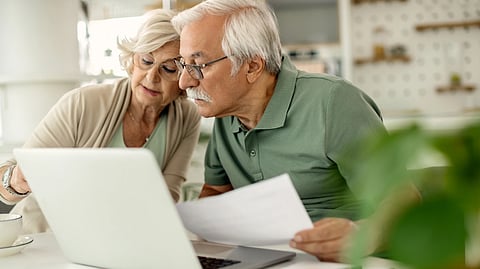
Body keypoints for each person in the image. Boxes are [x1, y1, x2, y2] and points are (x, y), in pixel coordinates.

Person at [171, 0, 421, 263]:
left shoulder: (333, 103)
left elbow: (404, 200)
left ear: (252, 66)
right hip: (271, 258)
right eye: (183, 63)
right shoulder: (224, 113)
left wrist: (361, 235)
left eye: (199, 65)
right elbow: (216, 191)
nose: (184, 81)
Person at [0, 9, 201, 233]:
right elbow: (10, 182)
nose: (152, 77)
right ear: (132, 60)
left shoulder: (186, 118)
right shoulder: (83, 103)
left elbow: (166, 198)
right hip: (43, 236)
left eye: (169, 68)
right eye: (146, 60)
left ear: (186, 74)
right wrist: (16, 181)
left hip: (118, 239)